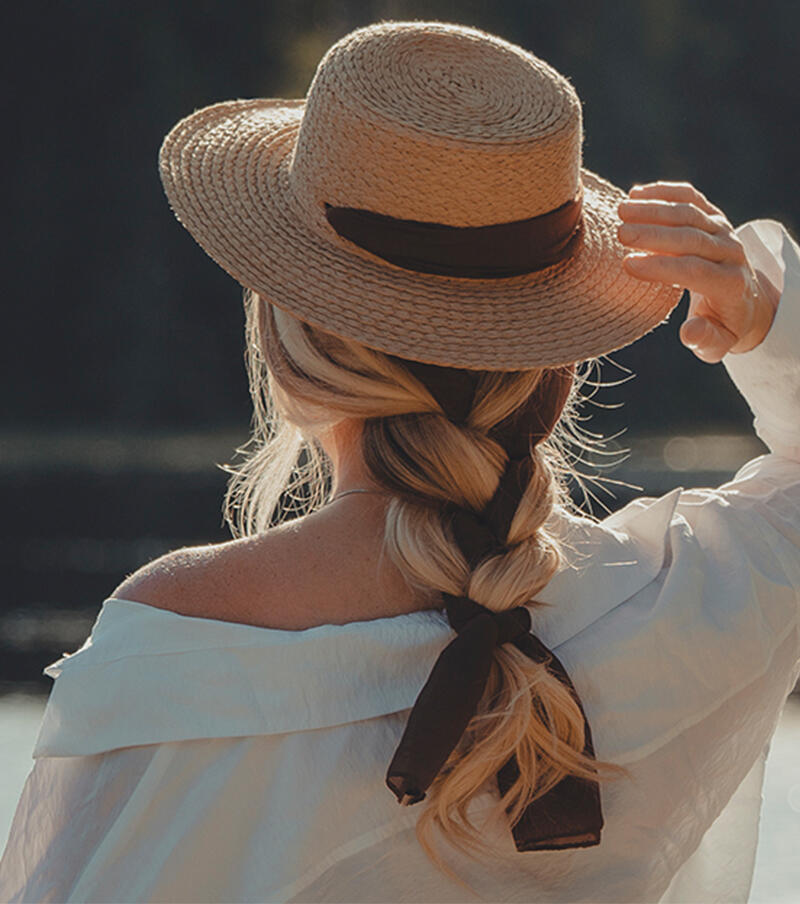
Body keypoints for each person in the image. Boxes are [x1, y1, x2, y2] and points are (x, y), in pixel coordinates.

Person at [1, 19, 798, 904]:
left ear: (285, 337)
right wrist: (768, 321)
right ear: (561, 365)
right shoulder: (690, 600)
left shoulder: (180, 644)